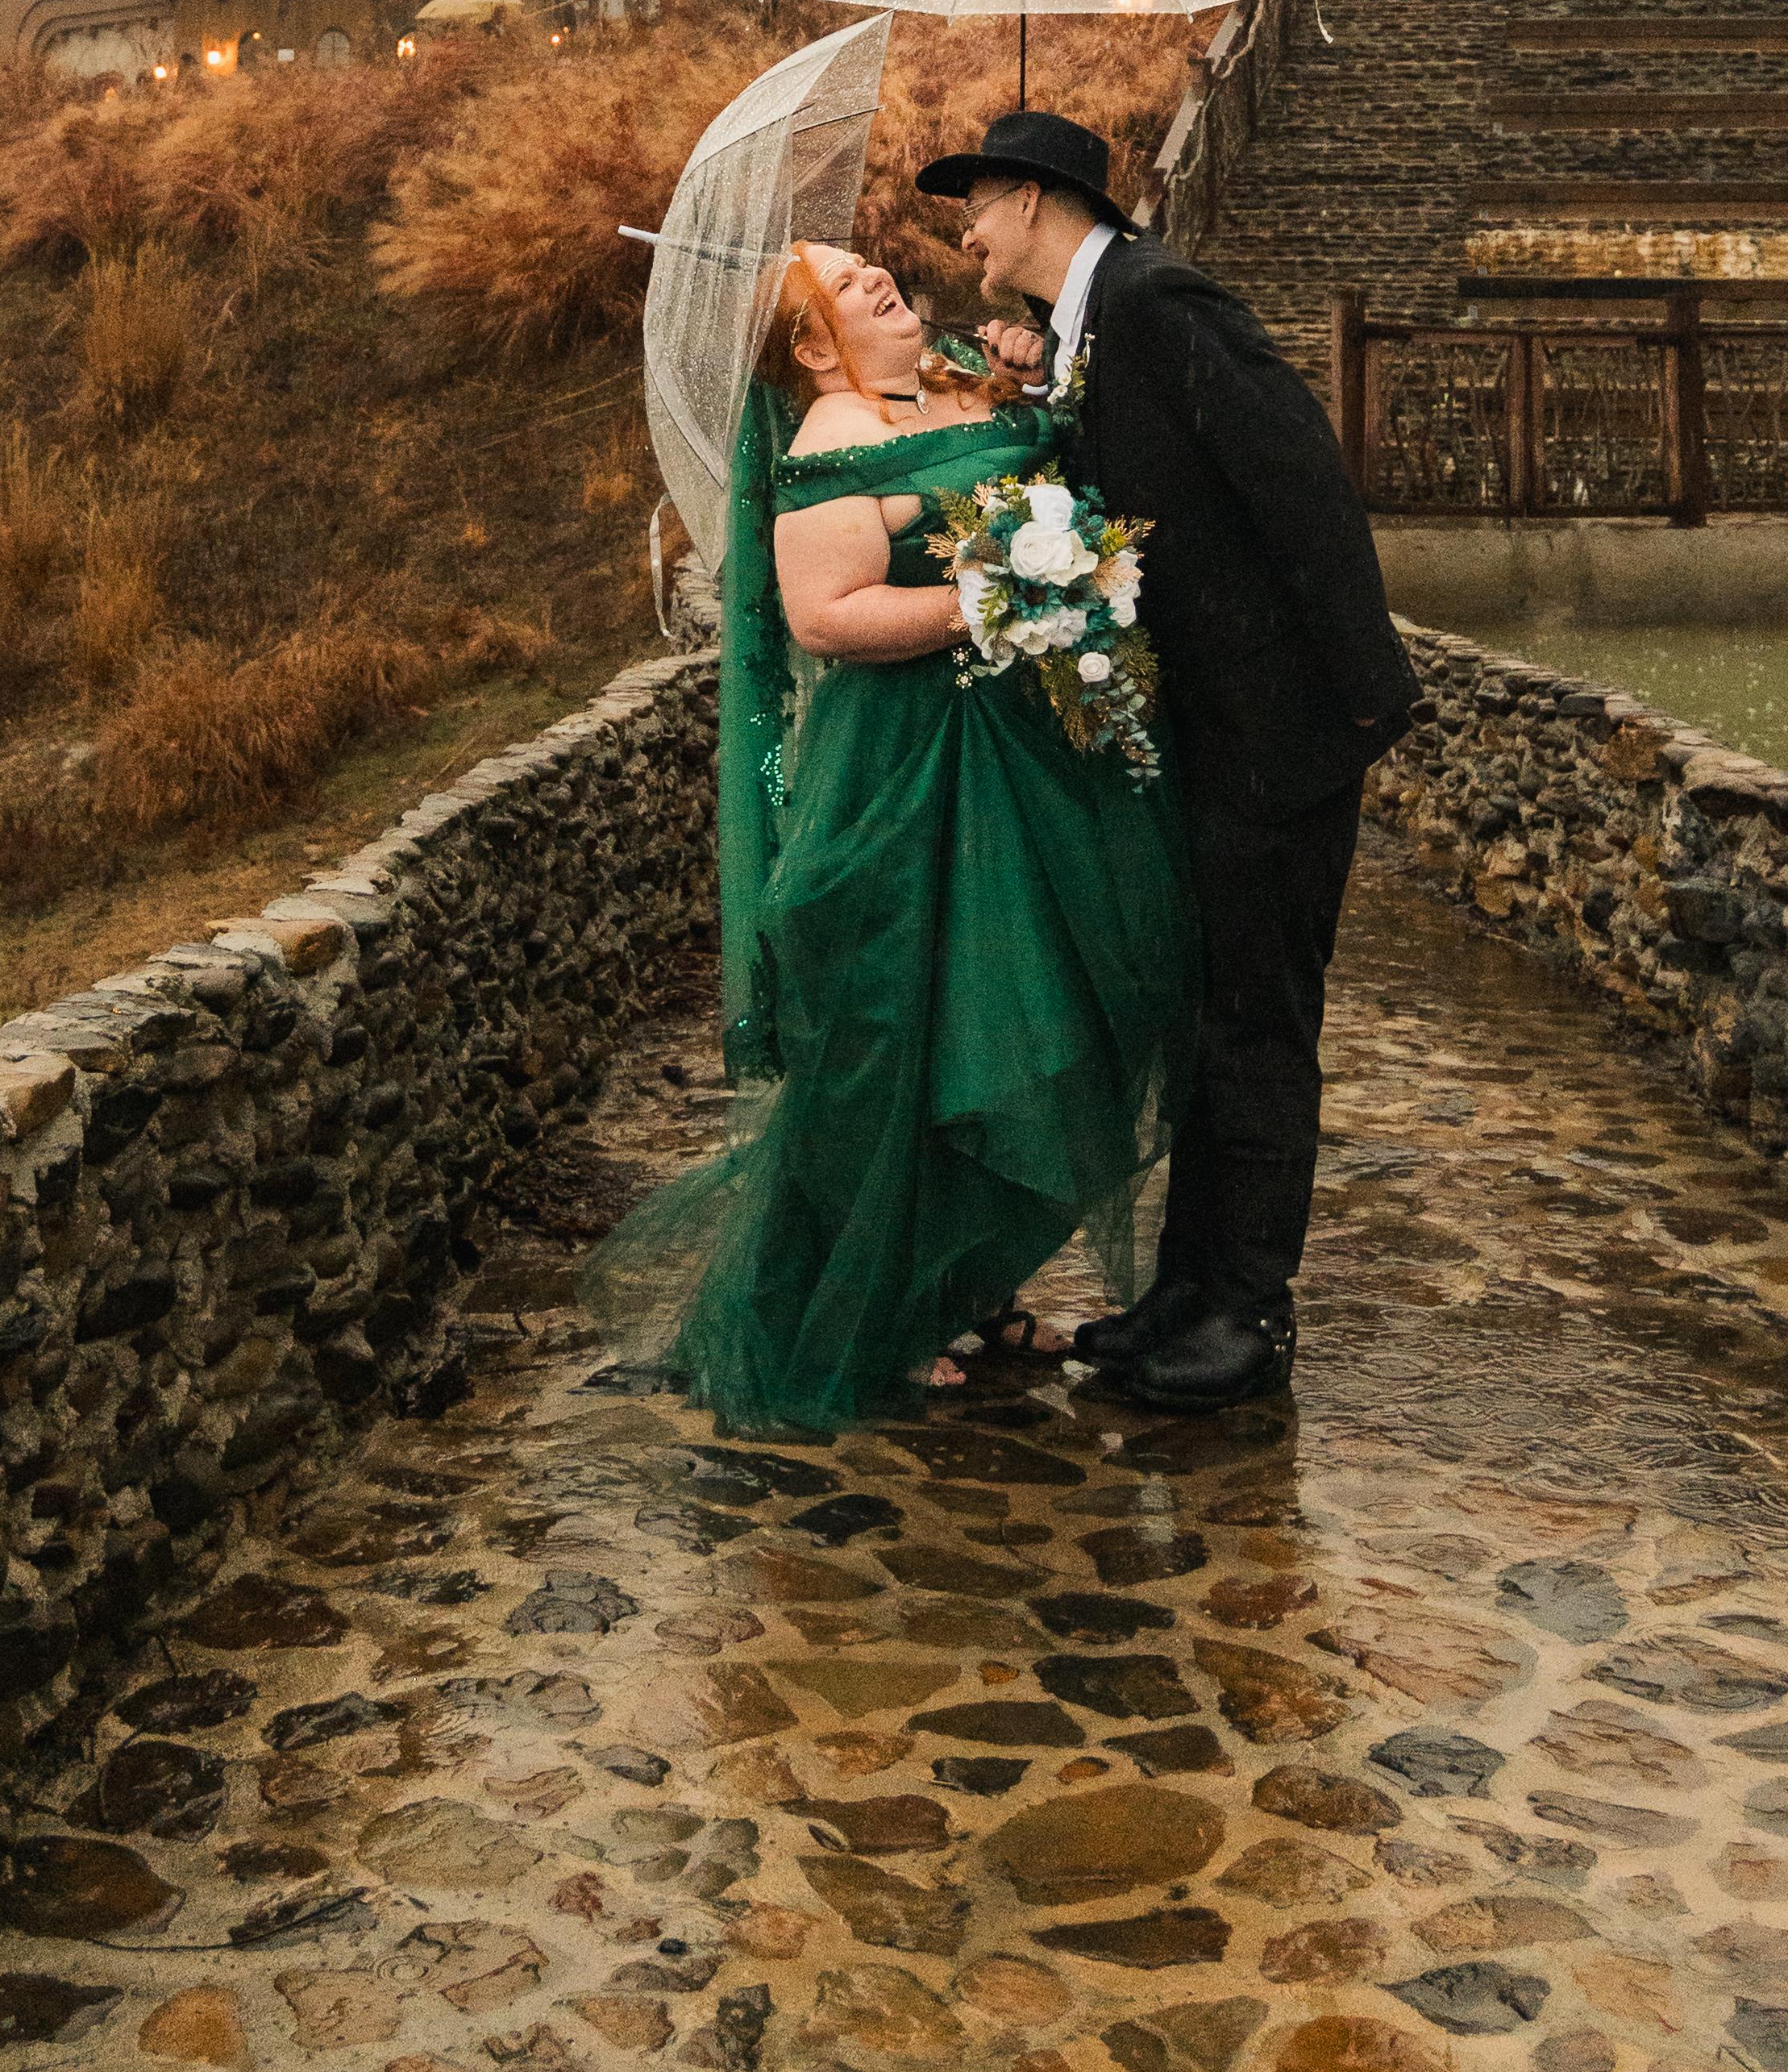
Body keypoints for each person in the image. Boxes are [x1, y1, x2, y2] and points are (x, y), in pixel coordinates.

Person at [592, 235, 1196, 1433]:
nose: (875, 276)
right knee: (907, 1035)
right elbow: (826, 619)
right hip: (905, 776)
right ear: (813, 347)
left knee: (1023, 1021)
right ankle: (878, 1314)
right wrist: (994, 599)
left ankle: (970, 1281)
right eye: (844, 283)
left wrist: (1027, 374)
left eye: (868, 263)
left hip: (1030, 765)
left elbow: (1041, 441)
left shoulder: (959, 376)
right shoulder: (831, 447)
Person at [921, 104, 1423, 1413]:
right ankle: (1189, 1291)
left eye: (975, 205)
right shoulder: (1091, 328)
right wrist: (1037, 387)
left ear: (1036, 200)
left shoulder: (1156, 299)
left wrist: (1357, 700)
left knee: (1259, 1023)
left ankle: (1249, 1312)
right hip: (1214, 736)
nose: (966, 234)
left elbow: (1300, 474)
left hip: (1279, 733)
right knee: (1210, 1016)